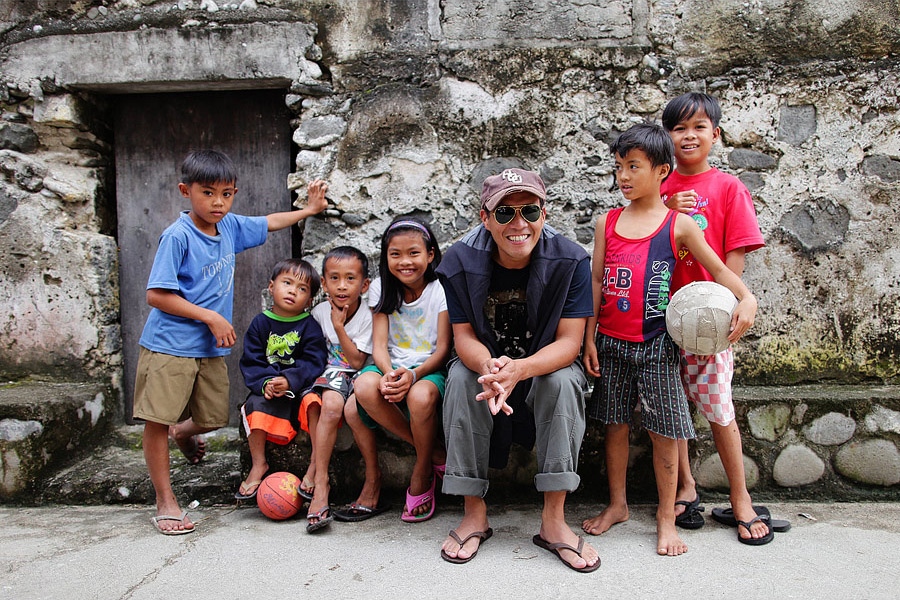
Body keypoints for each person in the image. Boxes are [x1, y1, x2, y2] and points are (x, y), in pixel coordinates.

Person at [580, 123, 758, 556]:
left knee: (664, 431)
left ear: (662, 172)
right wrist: (588, 339)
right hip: (611, 344)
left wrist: (747, 298)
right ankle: (618, 504)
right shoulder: (608, 222)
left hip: (659, 346)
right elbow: (597, 280)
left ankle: (665, 517)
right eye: (619, 166)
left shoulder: (679, 226)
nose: (623, 176)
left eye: (634, 167)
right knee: (615, 426)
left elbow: (718, 270)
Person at [133, 149, 327, 534]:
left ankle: (183, 433)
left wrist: (308, 211)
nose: (218, 202)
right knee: (157, 419)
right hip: (170, 344)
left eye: (227, 193)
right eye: (208, 193)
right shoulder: (178, 236)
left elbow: (270, 222)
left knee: (212, 417)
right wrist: (210, 316)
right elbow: (156, 295)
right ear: (185, 191)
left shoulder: (229, 227)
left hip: (208, 349)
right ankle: (166, 502)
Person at [436, 168, 600, 573]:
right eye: (505, 213)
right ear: (484, 218)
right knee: (460, 378)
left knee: (563, 382)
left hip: (543, 365)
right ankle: (474, 512)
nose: (519, 223)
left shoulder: (570, 259)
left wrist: (520, 369)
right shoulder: (460, 260)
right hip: (488, 365)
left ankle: (554, 520)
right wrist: (491, 368)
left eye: (529, 210)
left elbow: (569, 344)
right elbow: (463, 338)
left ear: (544, 213)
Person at [659, 92, 771, 544]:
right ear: (666, 137)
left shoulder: (728, 188)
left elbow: (735, 257)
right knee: (671, 408)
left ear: (715, 135)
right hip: (663, 321)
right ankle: (685, 486)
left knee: (718, 408)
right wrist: (668, 209)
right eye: (679, 128)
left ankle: (741, 497)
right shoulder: (659, 189)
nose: (689, 136)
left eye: (699, 127)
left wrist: (730, 307)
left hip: (710, 325)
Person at [353, 218, 450, 523]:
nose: (405, 262)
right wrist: (388, 374)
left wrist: (414, 375)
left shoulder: (440, 288)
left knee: (420, 397)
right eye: (395, 254)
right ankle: (434, 453)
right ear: (386, 257)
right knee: (364, 387)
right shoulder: (382, 286)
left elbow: (443, 349)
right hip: (392, 364)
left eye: (413, 253)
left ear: (430, 254)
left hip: (427, 368)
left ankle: (422, 470)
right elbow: (379, 346)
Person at [302, 246, 385, 532]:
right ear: (323, 283)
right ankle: (322, 482)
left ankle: (373, 478)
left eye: (350, 279)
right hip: (331, 377)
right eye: (334, 278)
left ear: (363, 285)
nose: (341, 286)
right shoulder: (319, 311)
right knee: (332, 406)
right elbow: (312, 353)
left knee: (353, 411)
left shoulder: (366, 315)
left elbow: (357, 360)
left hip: (360, 372)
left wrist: (339, 329)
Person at [236, 258, 328, 512]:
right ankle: (259, 463)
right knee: (253, 405)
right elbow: (251, 360)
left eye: (302, 289)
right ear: (271, 286)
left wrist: (291, 379)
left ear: (309, 300)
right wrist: (265, 382)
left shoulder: (308, 325)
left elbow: (315, 360)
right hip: (269, 386)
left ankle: (315, 464)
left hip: (300, 386)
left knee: (314, 404)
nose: (292, 291)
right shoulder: (260, 324)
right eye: (287, 283)